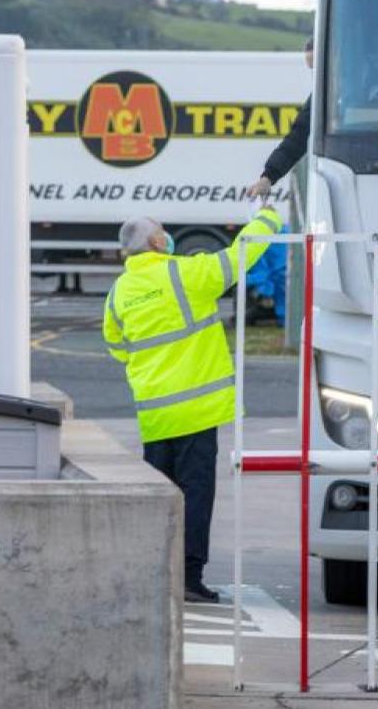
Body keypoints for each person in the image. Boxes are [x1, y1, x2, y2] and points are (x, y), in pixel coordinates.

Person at [104, 207, 284, 603]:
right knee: (195, 493)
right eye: (163, 233)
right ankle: (188, 577)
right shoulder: (185, 274)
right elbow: (241, 255)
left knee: (161, 496)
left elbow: (117, 348)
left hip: (154, 412)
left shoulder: (119, 292)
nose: (167, 237)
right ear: (156, 243)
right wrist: (268, 217)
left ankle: (157, 572)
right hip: (196, 408)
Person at [248, 37, 313, 200]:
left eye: (320, 66)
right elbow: (297, 138)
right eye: (314, 69)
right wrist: (268, 177)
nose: (319, 76)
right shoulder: (323, 98)